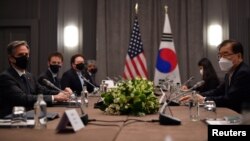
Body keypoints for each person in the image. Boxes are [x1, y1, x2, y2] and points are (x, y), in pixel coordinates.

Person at [0, 40, 72, 118]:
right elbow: (22, 98)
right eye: (20, 55)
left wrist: (61, 92)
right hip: (11, 121)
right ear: (11, 58)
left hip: (30, 116)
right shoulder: (6, 77)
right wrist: (54, 97)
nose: (24, 57)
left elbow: (42, 91)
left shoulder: (29, 75)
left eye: (26, 54)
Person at [179, 39, 250, 113]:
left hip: (243, 117)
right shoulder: (229, 73)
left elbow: (230, 99)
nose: (222, 59)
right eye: (220, 55)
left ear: (239, 56)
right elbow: (217, 91)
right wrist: (196, 95)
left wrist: (203, 99)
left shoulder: (243, 73)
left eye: (226, 55)